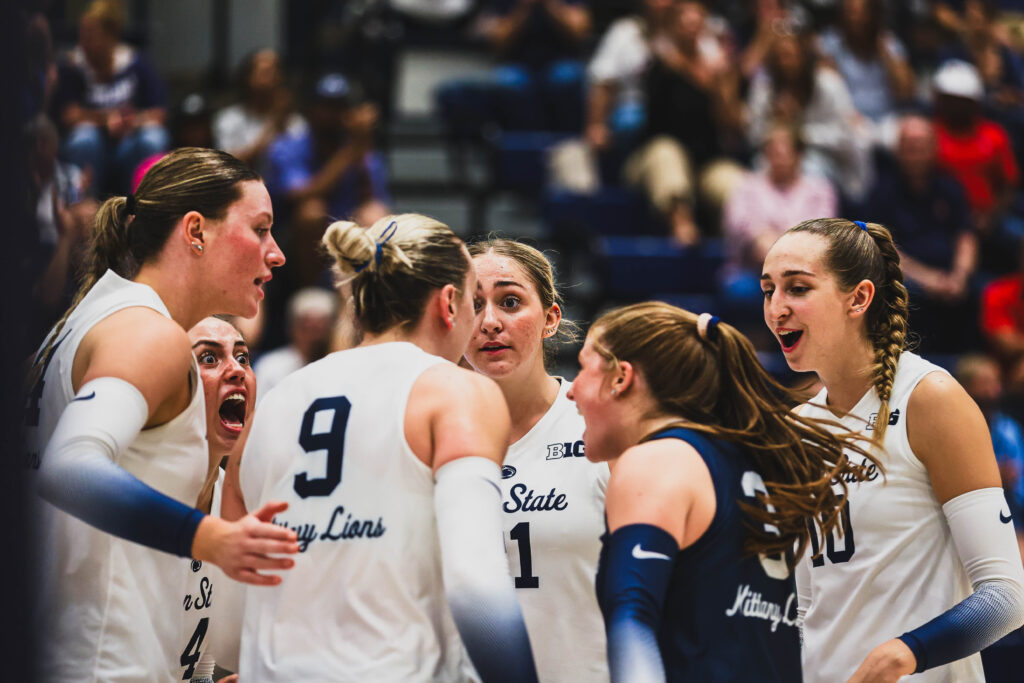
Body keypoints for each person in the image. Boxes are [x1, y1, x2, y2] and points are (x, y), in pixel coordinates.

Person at [24, 147, 298, 682]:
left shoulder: (77, 324)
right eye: (260, 229)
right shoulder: (148, 333)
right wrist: (209, 537)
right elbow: (71, 466)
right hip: (100, 662)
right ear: (196, 231)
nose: (277, 254)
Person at [233, 214, 538, 682]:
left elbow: (232, 581)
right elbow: (476, 585)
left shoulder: (272, 404)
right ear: (449, 303)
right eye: (476, 302)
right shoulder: (454, 392)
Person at [761, 217, 1024, 682]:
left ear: (859, 298)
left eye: (797, 289)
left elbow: (1006, 597)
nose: (776, 309)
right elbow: (804, 609)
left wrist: (906, 654)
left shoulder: (930, 399)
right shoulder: (797, 431)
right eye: (768, 291)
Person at [566, 301, 876, 681]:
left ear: (621, 377)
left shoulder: (656, 460)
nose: (572, 391)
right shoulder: (751, 460)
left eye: (582, 368)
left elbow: (632, 619)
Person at [464, 238, 609, 682]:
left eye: (510, 302)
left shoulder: (601, 428)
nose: (490, 322)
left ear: (550, 319)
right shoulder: (427, 443)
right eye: (473, 305)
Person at [188, 316, 260, 680]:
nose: (237, 370)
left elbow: (198, 663)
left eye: (243, 358)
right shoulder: (135, 489)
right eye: (210, 358)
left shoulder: (231, 498)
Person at [53, 0, 170, 195]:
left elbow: (159, 114)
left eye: (91, 36)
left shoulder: (136, 63)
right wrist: (106, 120)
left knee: (154, 138)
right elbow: (69, 115)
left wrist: (131, 122)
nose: (84, 44)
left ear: (112, 35)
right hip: (95, 147)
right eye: (81, 35)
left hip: (129, 144)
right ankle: (85, 208)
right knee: (83, 138)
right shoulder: (74, 66)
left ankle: (141, 207)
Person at [253, 286, 337, 396]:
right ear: (293, 328)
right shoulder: (271, 367)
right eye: (307, 328)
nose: (314, 337)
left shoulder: (339, 368)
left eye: (319, 329)